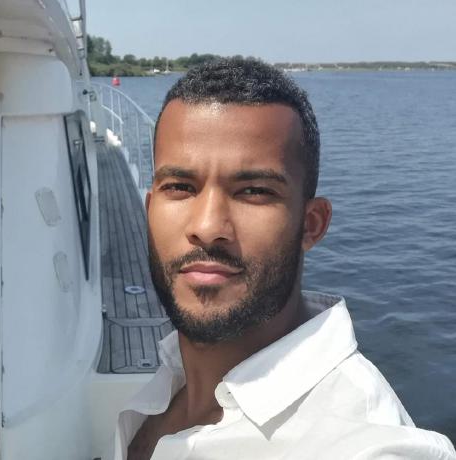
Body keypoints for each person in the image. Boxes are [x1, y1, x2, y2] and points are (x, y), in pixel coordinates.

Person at [108, 58, 455, 460]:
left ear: (311, 224)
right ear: (150, 209)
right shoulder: (171, 380)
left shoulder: (363, 442)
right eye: (181, 187)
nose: (207, 226)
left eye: (254, 191)